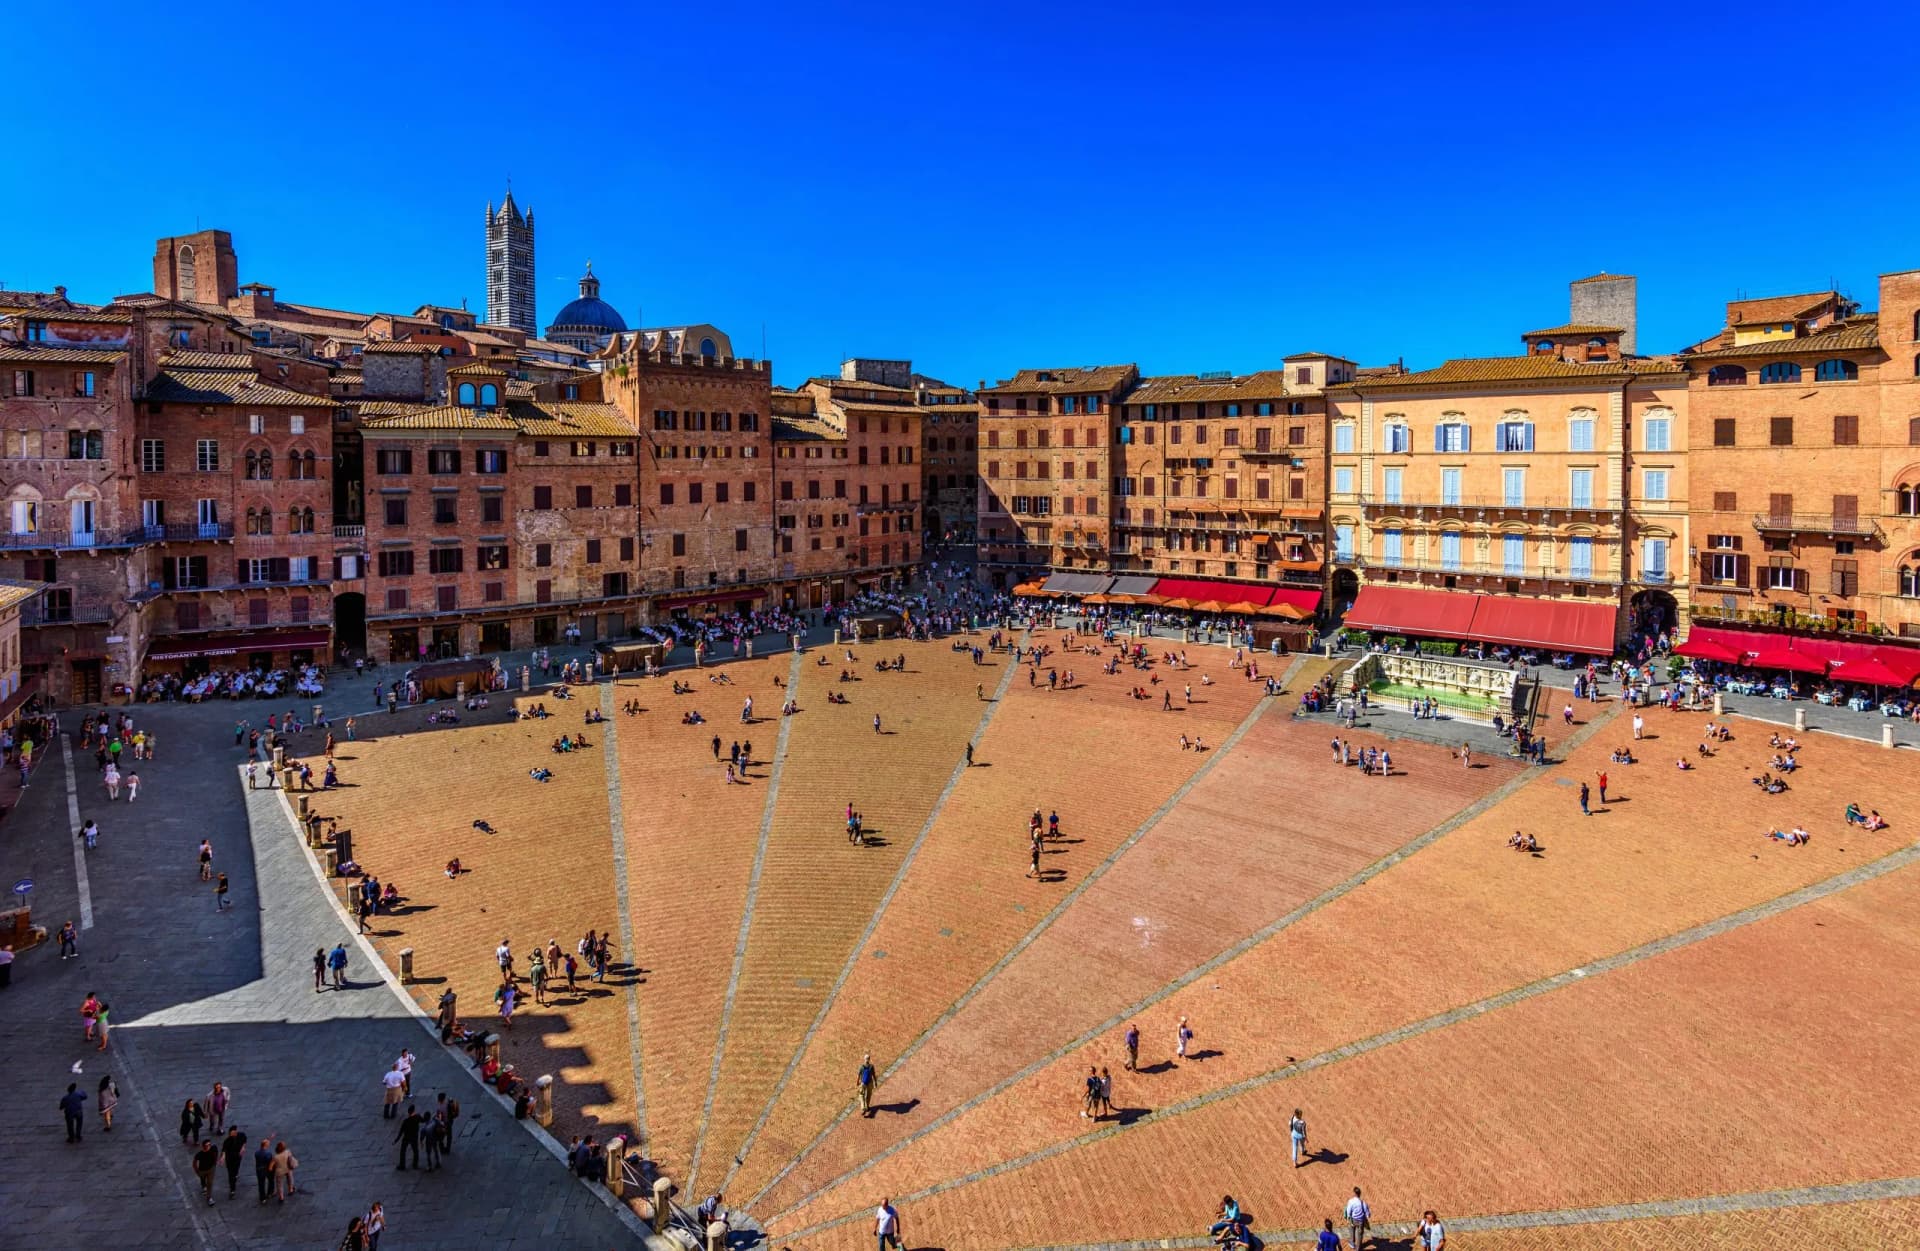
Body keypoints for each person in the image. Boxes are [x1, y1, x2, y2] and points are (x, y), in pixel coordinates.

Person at [192, 1139, 220, 1205]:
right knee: (202, 1179)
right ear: (203, 1146)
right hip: (202, 1170)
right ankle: (203, 1186)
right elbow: (194, 1163)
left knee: (210, 1183)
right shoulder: (199, 1154)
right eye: (207, 1145)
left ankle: (209, 1198)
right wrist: (197, 1172)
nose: (208, 1146)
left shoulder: (213, 1148)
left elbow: (216, 1152)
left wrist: (215, 1162)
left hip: (211, 1169)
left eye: (209, 1145)